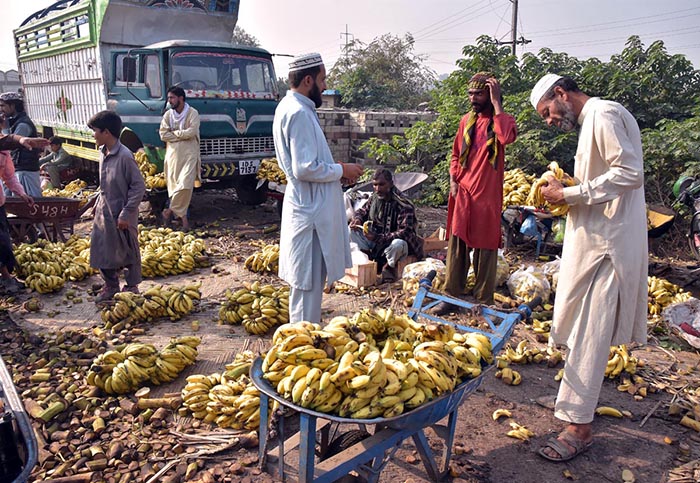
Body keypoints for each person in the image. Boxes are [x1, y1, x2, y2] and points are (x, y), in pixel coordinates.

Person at [530, 74, 647, 462]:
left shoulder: (604, 113)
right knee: (579, 326)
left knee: (591, 333)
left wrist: (571, 193)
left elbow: (629, 173)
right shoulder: (592, 121)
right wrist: (561, 196)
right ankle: (571, 401)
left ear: (561, 94)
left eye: (547, 111)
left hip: (608, 248)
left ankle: (578, 427)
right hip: (594, 242)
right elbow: (599, 182)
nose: (549, 120)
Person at [273, 53, 363, 324]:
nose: (325, 87)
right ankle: (301, 344)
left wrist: (334, 168)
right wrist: (341, 170)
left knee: (307, 285)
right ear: (308, 80)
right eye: (322, 80)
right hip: (309, 211)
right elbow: (304, 168)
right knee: (307, 285)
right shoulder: (299, 113)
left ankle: (302, 338)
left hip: (308, 207)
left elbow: (308, 162)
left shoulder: (292, 107)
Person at [432, 72, 517, 314]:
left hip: (487, 196)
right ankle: (450, 296)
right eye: (471, 93)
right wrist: (453, 180)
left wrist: (497, 102)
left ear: (490, 96)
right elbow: (456, 154)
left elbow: (506, 137)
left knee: (486, 249)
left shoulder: (502, 120)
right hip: (464, 192)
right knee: (457, 244)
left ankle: (483, 300)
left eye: (479, 94)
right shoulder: (465, 122)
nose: (473, 98)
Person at [87, 111, 146, 304]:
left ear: (106, 132)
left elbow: (138, 186)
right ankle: (111, 285)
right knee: (101, 248)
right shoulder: (102, 153)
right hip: (104, 211)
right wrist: (96, 203)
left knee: (128, 250)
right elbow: (103, 184)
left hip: (122, 212)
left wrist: (127, 213)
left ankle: (131, 286)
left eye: (95, 131)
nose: (93, 135)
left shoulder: (124, 156)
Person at [348, 168, 423, 283]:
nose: (378, 189)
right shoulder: (374, 198)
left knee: (398, 244)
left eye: (382, 185)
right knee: (352, 231)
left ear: (391, 184)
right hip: (377, 240)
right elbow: (362, 211)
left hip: (396, 245)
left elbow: (405, 232)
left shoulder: (403, 203)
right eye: (375, 185)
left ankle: (388, 268)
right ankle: (370, 262)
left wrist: (378, 238)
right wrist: (357, 219)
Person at [159, 86, 201, 231]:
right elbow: (163, 135)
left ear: (181, 98)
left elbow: (192, 132)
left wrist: (175, 134)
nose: (169, 101)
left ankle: (168, 211)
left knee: (185, 185)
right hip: (172, 156)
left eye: (172, 98)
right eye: (169, 98)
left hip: (189, 154)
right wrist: (181, 134)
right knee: (176, 189)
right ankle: (184, 223)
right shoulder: (168, 115)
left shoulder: (192, 113)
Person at [0, 142, 36, 293]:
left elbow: (9, 176)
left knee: (3, 241)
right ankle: (6, 278)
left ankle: (6, 276)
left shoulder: (3, 151)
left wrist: (22, 193)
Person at [0, 92, 42, 198]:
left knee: (31, 199)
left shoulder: (23, 124)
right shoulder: (14, 122)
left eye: (3, 106)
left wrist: (4, 127)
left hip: (25, 169)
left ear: (12, 105)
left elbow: (8, 144)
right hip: (20, 167)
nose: (1, 109)